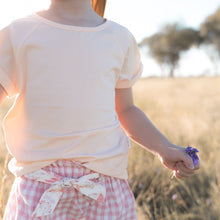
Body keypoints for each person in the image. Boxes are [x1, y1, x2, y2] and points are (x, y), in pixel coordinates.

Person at [0, 0, 200, 219]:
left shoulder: (119, 38)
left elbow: (126, 110)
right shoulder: (19, 33)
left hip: (105, 187)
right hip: (39, 186)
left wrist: (164, 148)